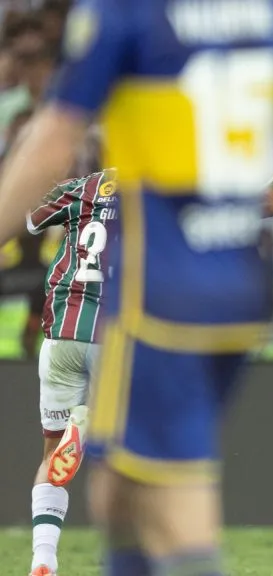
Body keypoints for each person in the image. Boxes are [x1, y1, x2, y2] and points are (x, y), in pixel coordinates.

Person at [0, 2, 273, 576]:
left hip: (157, 299)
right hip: (238, 292)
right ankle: (92, 433)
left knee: (175, 501)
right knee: (119, 491)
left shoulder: (125, 17)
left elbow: (50, 141)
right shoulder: (272, 19)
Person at [24, 169, 117, 576]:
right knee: (136, 450)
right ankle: (92, 427)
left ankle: (43, 561)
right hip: (115, 337)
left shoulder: (85, 187)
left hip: (62, 333)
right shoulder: (158, 187)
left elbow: (28, 217)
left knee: (50, 453)